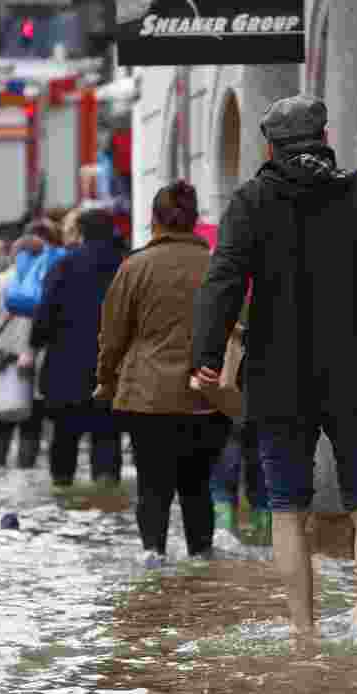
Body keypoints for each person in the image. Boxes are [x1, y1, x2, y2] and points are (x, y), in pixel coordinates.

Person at [190, 95, 357, 641]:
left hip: (279, 380)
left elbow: (223, 281)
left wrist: (208, 357)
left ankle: (304, 632)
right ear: (323, 138)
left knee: (287, 509)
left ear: (271, 145)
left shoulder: (252, 201)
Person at [95, 181, 232, 565]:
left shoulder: (133, 268)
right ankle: (202, 563)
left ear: (154, 220)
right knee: (197, 485)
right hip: (207, 396)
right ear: (194, 221)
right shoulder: (218, 267)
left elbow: (113, 335)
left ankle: (153, 557)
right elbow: (238, 327)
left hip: (148, 398)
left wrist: (105, 380)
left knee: (153, 487)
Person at [28, 209, 125, 487]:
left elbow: (44, 314)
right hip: (114, 368)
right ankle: (107, 492)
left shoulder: (64, 266)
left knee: (64, 439)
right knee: (107, 436)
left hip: (66, 368)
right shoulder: (126, 265)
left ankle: (63, 491)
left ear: (81, 233)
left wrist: (35, 346)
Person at [0, 222, 50, 469]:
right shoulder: (49, 281)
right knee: (31, 427)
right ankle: (26, 474)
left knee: (0, 425)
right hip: (37, 364)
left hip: (2, 366)